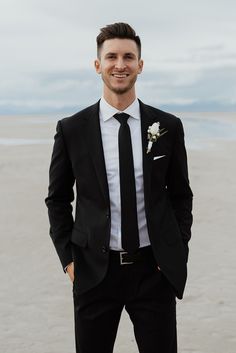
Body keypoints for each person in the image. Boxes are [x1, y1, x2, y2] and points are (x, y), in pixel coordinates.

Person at [45, 22, 193, 353]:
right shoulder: (72, 129)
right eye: (111, 56)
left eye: (129, 56)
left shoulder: (166, 126)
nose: (120, 64)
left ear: (140, 64)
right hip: (94, 272)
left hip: (153, 271)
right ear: (98, 65)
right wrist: (69, 259)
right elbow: (57, 199)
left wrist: (176, 248)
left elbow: (181, 195)